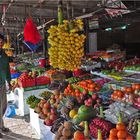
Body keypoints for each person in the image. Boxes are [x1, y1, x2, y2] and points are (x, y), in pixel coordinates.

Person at [0, 34, 11, 138]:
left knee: (3, 107)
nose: (0, 43)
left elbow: (7, 69)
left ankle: (1, 126)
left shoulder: (4, 55)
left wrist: (9, 81)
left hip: (2, 84)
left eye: (1, 42)